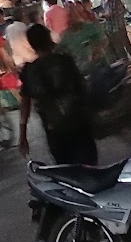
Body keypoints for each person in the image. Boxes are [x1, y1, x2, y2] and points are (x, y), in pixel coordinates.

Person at [19, 24, 97, 165]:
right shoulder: (64, 61)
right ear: (48, 39)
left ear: (32, 45)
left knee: (67, 171)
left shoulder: (29, 71)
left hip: (54, 131)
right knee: (89, 168)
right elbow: (82, 87)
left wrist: (22, 136)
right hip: (78, 124)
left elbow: (25, 104)